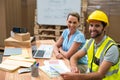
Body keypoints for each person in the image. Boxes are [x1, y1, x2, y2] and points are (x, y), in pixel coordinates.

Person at [60, 10, 120, 80]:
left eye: (97, 26)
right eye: (91, 25)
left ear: (104, 28)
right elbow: (74, 57)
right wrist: (74, 68)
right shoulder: (90, 42)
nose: (93, 29)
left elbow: (100, 75)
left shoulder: (111, 48)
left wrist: (75, 76)